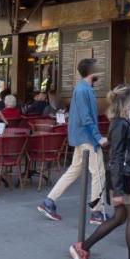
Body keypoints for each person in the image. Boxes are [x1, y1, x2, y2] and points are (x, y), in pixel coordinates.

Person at [69, 85, 130, 259]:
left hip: (127, 175)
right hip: (125, 178)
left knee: (120, 217)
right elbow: (116, 157)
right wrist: (117, 191)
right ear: (126, 101)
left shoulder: (123, 122)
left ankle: (82, 247)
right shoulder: (119, 124)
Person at [38, 58, 108, 223]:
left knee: (74, 170)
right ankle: (97, 212)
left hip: (80, 137)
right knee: (99, 173)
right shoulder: (84, 90)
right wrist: (98, 137)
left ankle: (49, 201)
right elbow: (86, 117)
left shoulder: (81, 89)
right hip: (87, 138)